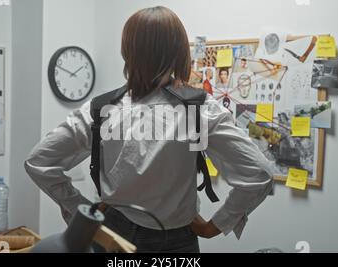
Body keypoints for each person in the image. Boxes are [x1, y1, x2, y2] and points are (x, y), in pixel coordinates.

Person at [25, 6, 272, 253]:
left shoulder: (99, 108)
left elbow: (39, 161)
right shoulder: (200, 108)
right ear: (178, 52)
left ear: (126, 51)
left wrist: (81, 207)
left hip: (111, 236)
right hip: (172, 242)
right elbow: (259, 174)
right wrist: (215, 225)